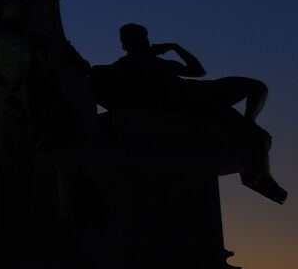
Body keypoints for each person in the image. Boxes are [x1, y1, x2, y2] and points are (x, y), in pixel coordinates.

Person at [90, 23, 285, 203]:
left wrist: (175, 47)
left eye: (142, 38)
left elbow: (199, 71)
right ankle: (257, 178)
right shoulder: (123, 66)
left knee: (257, 88)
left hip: (199, 91)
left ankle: (247, 126)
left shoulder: (159, 62)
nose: (141, 42)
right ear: (126, 44)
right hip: (190, 103)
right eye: (133, 39)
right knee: (259, 137)